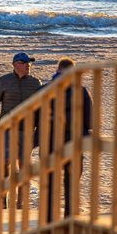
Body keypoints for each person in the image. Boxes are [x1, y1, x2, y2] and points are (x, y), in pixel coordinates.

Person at [0, 52, 42, 208]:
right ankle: (2, 200)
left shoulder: (36, 83)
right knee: (5, 162)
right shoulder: (4, 81)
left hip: (27, 131)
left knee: (23, 166)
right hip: (7, 130)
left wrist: (40, 132)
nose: (28, 66)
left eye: (29, 63)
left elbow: (41, 109)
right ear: (16, 64)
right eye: (25, 63)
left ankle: (20, 203)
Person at [40, 57, 92, 217]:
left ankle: (50, 218)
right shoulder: (81, 91)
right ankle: (69, 216)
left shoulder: (46, 89)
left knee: (50, 181)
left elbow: (37, 115)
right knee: (72, 180)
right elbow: (89, 119)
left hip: (50, 140)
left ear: (57, 70)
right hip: (74, 140)